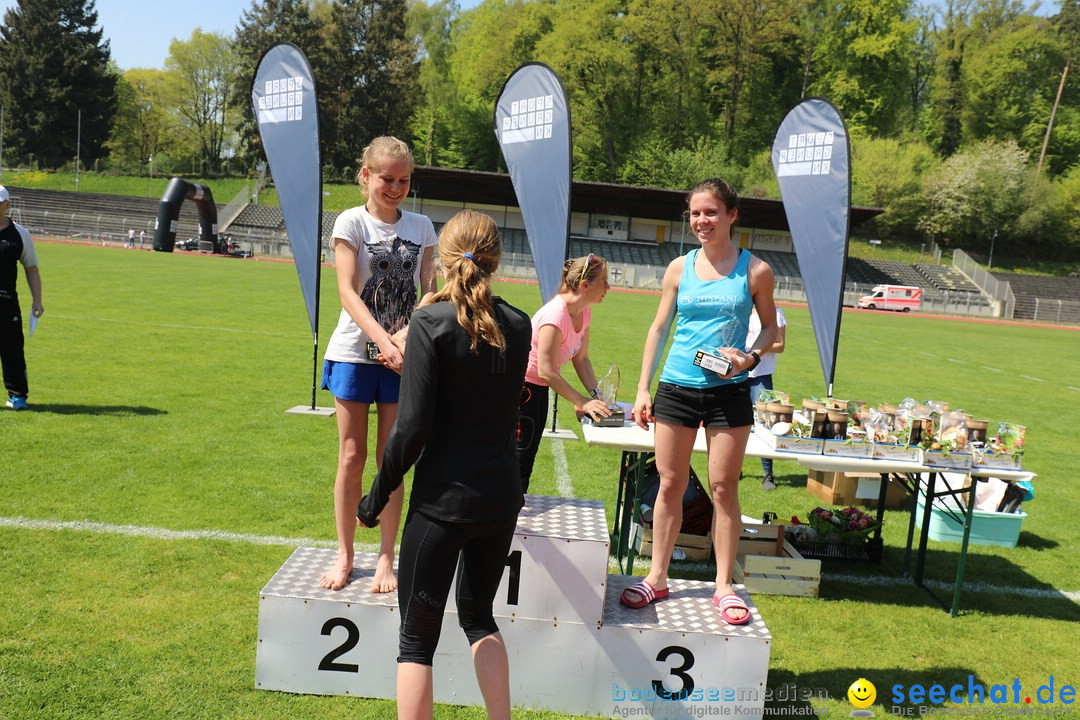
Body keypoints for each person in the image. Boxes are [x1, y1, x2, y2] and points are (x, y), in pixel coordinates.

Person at [356, 209, 531, 720]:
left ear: (446, 259)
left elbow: (410, 431)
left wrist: (375, 497)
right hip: (500, 501)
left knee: (415, 643)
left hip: (442, 507)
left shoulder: (430, 323)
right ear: (495, 259)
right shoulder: (518, 324)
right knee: (480, 618)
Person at [628, 178, 777, 626]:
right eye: (695, 213)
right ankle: (656, 576)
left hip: (728, 392)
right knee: (670, 484)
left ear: (732, 215)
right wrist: (642, 388)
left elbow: (771, 329)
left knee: (723, 489)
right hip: (676, 386)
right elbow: (658, 329)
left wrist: (749, 358)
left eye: (711, 212)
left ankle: (724, 585)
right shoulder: (679, 267)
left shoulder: (756, 271)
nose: (701, 221)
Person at [319, 136, 438, 593]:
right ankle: (346, 553)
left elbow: (430, 286)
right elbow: (347, 291)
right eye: (387, 178)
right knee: (351, 456)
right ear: (366, 176)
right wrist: (381, 339)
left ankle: (387, 557)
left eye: (404, 180)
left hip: (404, 356)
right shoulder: (351, 222)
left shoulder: (424, 226)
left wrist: (405, 337)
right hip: (355, 352)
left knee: (392, 458)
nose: (395, 188)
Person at [516, 254, 612, 492]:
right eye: (604, 281)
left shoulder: (584, 312)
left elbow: (582, 358)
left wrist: (596, 395)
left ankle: (512, 517)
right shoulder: (555, 316)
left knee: (526, 461)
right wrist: (582, 402)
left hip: (538, 391)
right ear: (585, 284)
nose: (608, 287)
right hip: (524, 392)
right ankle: (504, 520)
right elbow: (546, 371)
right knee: (517, 462)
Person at [0, 186, 43, 411]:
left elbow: (31, 268)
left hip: (6, 303)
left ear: (7, 205)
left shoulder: (20, 234)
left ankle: (17, 396)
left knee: (12, 350)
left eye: (0, 203)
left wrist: (37, 300)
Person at [747, 306, 786, 490]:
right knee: (735, 422)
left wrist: (755, 351)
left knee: (765, 424)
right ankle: (733, 468)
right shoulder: (742, 307)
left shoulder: (776, 312)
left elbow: (781, 345)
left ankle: (767, 473)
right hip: (738, 374)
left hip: (761, 374)